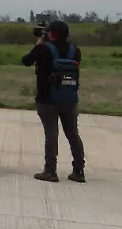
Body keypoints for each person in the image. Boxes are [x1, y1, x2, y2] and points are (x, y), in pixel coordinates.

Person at [22, 19, 86, 183]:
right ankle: (79, 171)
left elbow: (26, 61)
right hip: (70, 98)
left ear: (50, 33)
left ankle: (50, 171)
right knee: (73, 134)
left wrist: (39, 43)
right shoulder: (74, 50)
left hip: (47, 99)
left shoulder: (43, 49)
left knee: (51, 133)